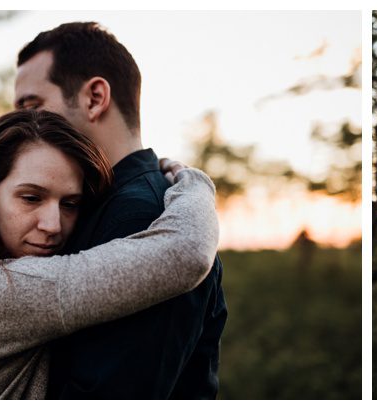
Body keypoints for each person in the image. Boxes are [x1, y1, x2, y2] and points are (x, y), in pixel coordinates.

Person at [0, 109, 218, 399]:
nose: (53, 225)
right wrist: (193, 181)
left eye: (70, 204)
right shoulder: (4, 291)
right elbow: (185, 254)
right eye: (31, 198)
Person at [14, 22, 226, 399]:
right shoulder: (84, 205)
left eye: (32, 106)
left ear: (95, 98)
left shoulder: (145, 218)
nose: (20, 126)